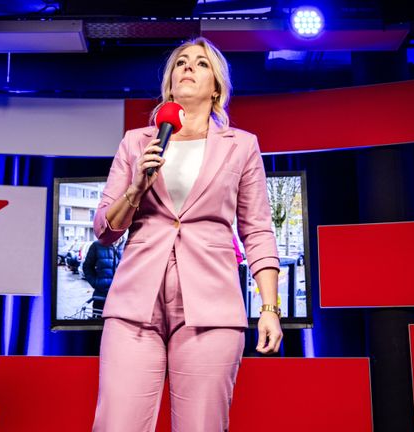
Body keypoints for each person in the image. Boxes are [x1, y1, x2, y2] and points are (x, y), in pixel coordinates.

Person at [92, 37, 282, 432]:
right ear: (170, 82)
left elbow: (258, 230)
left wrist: (269, 309)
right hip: (133, 307)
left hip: (211, 308)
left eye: (201, 63)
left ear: (216, 87)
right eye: (181, 62)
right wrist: (134, 189)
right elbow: (104, 231)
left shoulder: (242, 146)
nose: (188, 68)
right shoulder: (136, 142)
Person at [82, 237, 125, 317]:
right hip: (100, 298)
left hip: (122, 299)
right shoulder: (97, 245)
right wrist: (96, 283)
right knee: (98, 327)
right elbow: (87, 267)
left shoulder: (128, 245)